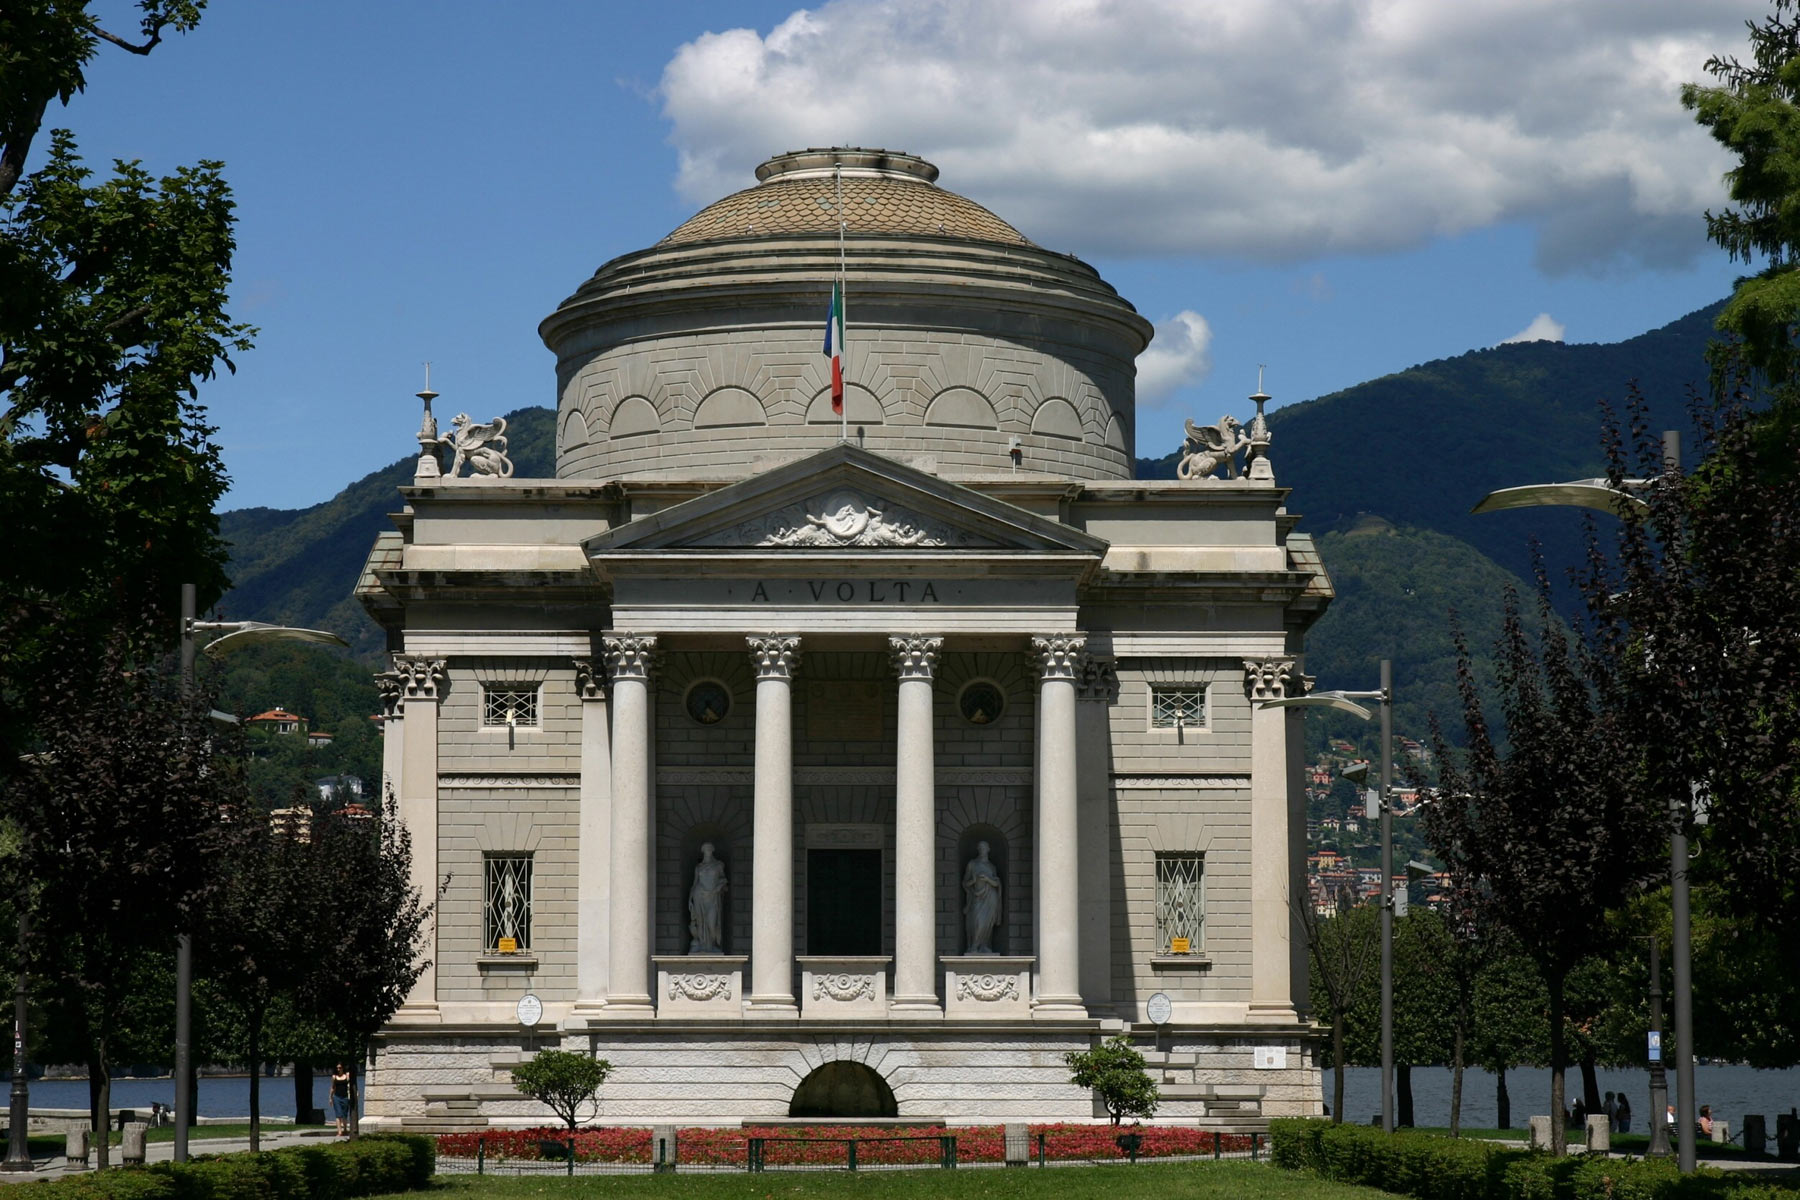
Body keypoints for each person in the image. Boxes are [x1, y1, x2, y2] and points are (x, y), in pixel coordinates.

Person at [688, 843, 728, 954]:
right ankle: (702, 946)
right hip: (699, 896)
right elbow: (695, 883)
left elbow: (724, 880)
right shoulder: (699, 867)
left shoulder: (718, 865)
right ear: (703, 851)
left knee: (712, 923)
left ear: (712, 850)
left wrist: (719, 887)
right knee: (700, 922)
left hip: (713, 897)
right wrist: (690, 899)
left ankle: (713, 945)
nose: (708, 851)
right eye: (705, 849)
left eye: (709, 848)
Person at [963, 842, 1002, 954]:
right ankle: (974, 946)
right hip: (977, 897)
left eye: (984, 848)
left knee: (987, 924)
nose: (982, 850)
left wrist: (987, 880)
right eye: (980, 848)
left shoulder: (991, 866)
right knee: (978, 921)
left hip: (991, 897)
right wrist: (973, 881)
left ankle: (984, 945)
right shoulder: (972, 864)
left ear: (988, 849)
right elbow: (965, 883)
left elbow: (996, 883)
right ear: (978, 849)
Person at [330, 1063, 354, 1137]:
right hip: (336, 1097)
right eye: (337, 1068)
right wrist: (330, 1098)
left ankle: (345, 1129)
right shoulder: (334, 1077)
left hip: (345, 1097)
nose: (338, 1069)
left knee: (344, 1115)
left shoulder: (346, 1076)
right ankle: (339, 1132)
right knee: (338, 1115)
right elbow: (332, 1088)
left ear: (343, 1068)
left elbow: (351, 1085)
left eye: (340, 1068)